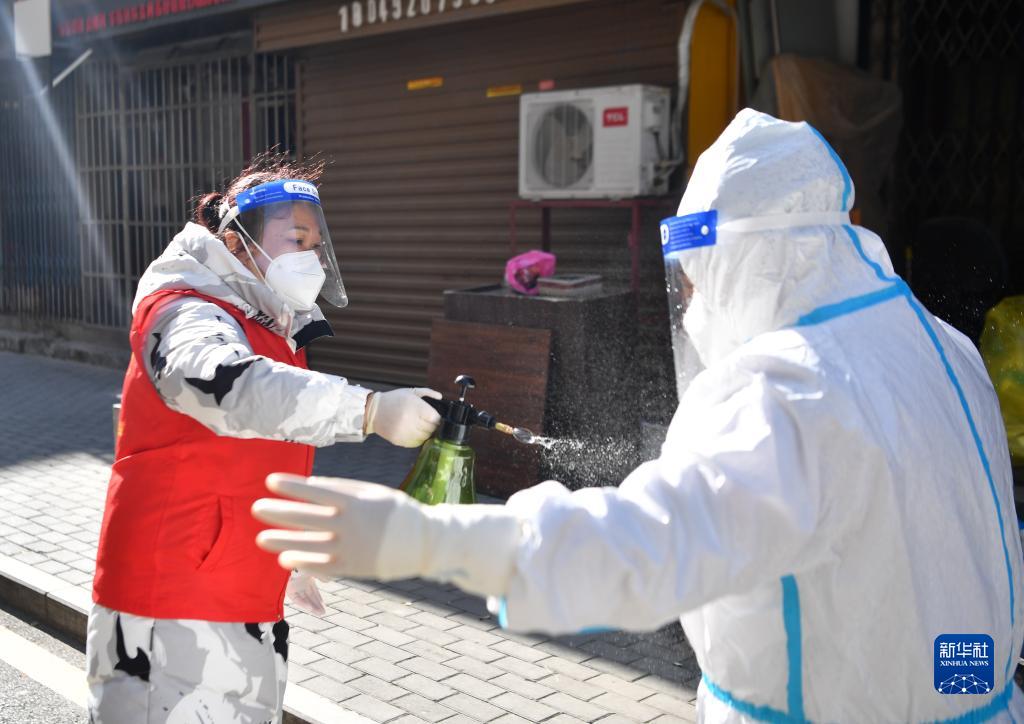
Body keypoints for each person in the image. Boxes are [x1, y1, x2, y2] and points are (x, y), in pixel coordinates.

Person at [251, 111, 1024, 722]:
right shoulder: (943, 349)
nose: (694, 302)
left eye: (699, 276)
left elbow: (648, 546)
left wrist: (431, 540)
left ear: (752, 258)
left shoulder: (784, 389)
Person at [86, 155, 442, 723]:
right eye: (297, 240)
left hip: (236, 602)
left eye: (317, 245)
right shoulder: (185, 312)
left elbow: (250, 464)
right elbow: (227, 386)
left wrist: (284, 556)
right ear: (236, 241)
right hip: (170, 609)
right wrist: (369, 411)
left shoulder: (269, 329)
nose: (312, 259)